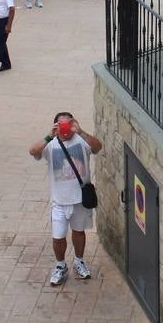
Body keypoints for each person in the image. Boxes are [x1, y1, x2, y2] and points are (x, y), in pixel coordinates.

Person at [28, 113, 103, 287]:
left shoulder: (81, 140)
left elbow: (98, 147)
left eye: (68, 124)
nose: (65, 128)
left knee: (79, 232)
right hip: (59, 201)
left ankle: (79, 261)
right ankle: (60, 265)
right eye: (61, 125)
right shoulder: (51, 144)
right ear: (55, 125)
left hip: (80, 200)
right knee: (58, 236)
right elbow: (32, 151)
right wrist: (49, 135)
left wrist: (81, 131)